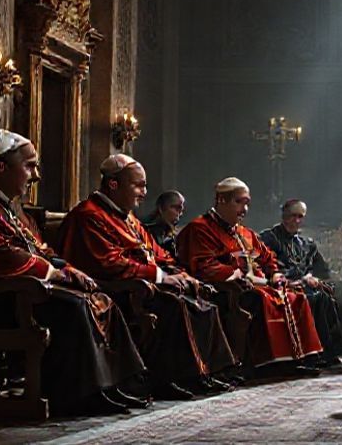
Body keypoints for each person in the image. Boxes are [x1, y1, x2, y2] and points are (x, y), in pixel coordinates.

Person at [0, 130, 146, 415]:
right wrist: (55, 275)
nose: (36, 175)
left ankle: (113, 386)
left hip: (13, 292)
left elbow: (39, 248)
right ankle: (76, 395)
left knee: (98, 297)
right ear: (0, 167)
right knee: (74, 306)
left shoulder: (4, 204)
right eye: (29, 166)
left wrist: (66, 268)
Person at [58, 155, 237, 398]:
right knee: (175, 305)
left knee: (202, 301)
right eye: (138, 185)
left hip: (140, 283)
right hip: (113, 287)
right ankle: (167, 379)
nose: (144, 192)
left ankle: (203, 373)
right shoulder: (89, 215)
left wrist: (180, 274)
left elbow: (158, 254)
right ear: (113, 185)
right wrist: (160, 277)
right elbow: (108, 263)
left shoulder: (128, 217)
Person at [177, 177, 323, 371]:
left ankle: (296, 358)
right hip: (227, 288)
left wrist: (274, 274)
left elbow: (266, 256)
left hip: (257, 283)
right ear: (221, 200)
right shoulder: (200, 229)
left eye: (247, 203)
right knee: (263, 298)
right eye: (239, 202)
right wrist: (240, 275)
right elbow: (204, 266)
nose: (245, 209)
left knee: (296, 297)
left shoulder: (245, 233)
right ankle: (265, 363)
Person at [260, 199, 342, 364]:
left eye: (300, 217)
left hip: (304, 286)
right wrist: (294, 280)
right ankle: (309, 353)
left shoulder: (306, 243)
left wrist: (312, 277)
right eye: (293, 216)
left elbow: (321, 270)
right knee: (313, 298)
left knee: (325, 296)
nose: (297, 221)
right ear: (284, 215)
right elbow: (267, 267)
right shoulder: (268, 239)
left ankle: (326, 351)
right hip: (281, 287)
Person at [143, 190, 186, 258]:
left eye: (181, 210)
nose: (180, 214)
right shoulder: (145, 232)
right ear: (161, 208)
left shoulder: (175, 235)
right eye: (176, 208)